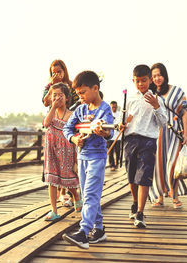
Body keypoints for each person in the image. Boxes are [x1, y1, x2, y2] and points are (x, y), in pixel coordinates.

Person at [62, 70, 114, 249]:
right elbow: (67, 128)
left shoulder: (105, 109)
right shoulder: (81, 109)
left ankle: (84, 232)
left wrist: (103, 132)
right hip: (82, 156)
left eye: (83, 92)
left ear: (95, 88)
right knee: (87, 195)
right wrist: (74, 138)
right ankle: (99, 230)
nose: (81, 97)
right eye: (78, 94)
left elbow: (110, 131)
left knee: (91, 194)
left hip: (97, 158)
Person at [121, 65, 167, 228]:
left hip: (148, 141)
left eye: (144, 81)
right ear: (133, 80)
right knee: (132, 176)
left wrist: (156, 106)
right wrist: (121, 125)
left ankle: (140, 213)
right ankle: (134, 202)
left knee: (144, 177)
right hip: (130, 141)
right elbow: (123, 121)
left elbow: (163, 123)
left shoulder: (157, 98)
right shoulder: (130, 99)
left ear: (150, 80)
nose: (141, 84)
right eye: (137, 81)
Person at [148, 63, 187, 209]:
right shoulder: (151, 94)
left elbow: (184, 113)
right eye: (154, 76)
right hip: (157, 132)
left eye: (159, 75)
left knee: (173, 164)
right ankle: (159, 197)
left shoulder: (177, 91)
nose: (157, 78)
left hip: (174, 133)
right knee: (158, 165)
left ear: (164, 75)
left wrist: (186, 134)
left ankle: (174, 196)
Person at [42, 83, 81, 221]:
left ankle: (76, 195)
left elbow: (75, 135)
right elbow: (46, 124)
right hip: (51, 149)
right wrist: (53, 106)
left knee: (67, 178)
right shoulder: (51, 112)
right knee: (52, 179)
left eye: (60, 95)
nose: (57, 98)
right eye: (54, 95)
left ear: (67, 98)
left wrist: (76, 159)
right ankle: (54, 210)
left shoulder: (71, 114)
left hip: (66, 149)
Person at [42, 59, 77, 206]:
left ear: (64, 71)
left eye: (59, 71)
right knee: (54, 168)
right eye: (53, 72)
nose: (56, 74)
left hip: (68, 123)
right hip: (53, 123)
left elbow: (78, 101)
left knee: (67, 168)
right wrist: (51, 87)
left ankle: (70, 194)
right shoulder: (49, 87)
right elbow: (45, 102)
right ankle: (59, 198)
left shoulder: (72, 85)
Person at [107, 101, 121, 171]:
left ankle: (117, 163)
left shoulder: (119, 114)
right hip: (110, 136)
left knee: (118, 152)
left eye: (115, 107)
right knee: (111, 152)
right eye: (112, 107)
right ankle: (111, 165)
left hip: (118, 136)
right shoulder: (108, 114)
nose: (114, 108)